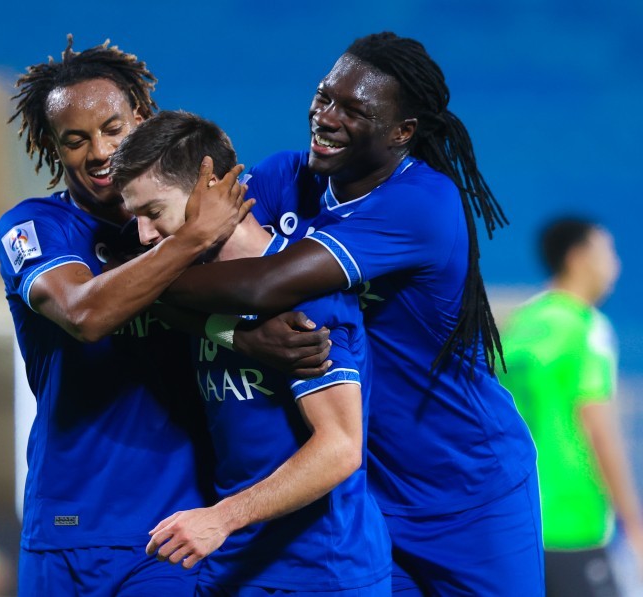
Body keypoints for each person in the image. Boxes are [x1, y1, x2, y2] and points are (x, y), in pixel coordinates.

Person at [162, 32, 544, 595]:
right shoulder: (283, 179)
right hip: (368, 496)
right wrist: (230, 335)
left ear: (402, 132)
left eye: (354, 110)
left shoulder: (422, 204)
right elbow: (191, 250)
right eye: (324, 96)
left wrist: (146, 284)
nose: (326, 117)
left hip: (469, 492)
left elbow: (260, 285)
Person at [0, 36, 330, 595]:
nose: (99, 151)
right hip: (65, 526)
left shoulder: (183, 222)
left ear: (141, 119)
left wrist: (240, 335)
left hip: (175, 530)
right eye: (75, 140)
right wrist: (192, 238)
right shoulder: (34, 228)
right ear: (53, 147)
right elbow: (85, 313)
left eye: (112, 129)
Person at [110, 109, 391, 596]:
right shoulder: (194, 289)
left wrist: (221, 518)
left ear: (211, 190)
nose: (145, 235)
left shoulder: (305, 290)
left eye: (153, 212)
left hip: (320, 574)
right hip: (232, 566)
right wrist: (235, 335)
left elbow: (339, 448)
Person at [500, 217, 643, 596]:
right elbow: (599, 428)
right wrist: (633, 523)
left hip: (518, 517)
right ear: (578, 258)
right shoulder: (585, 326)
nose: (616, 265)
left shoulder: (522, 323)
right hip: (573, 518)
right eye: (608, 252)